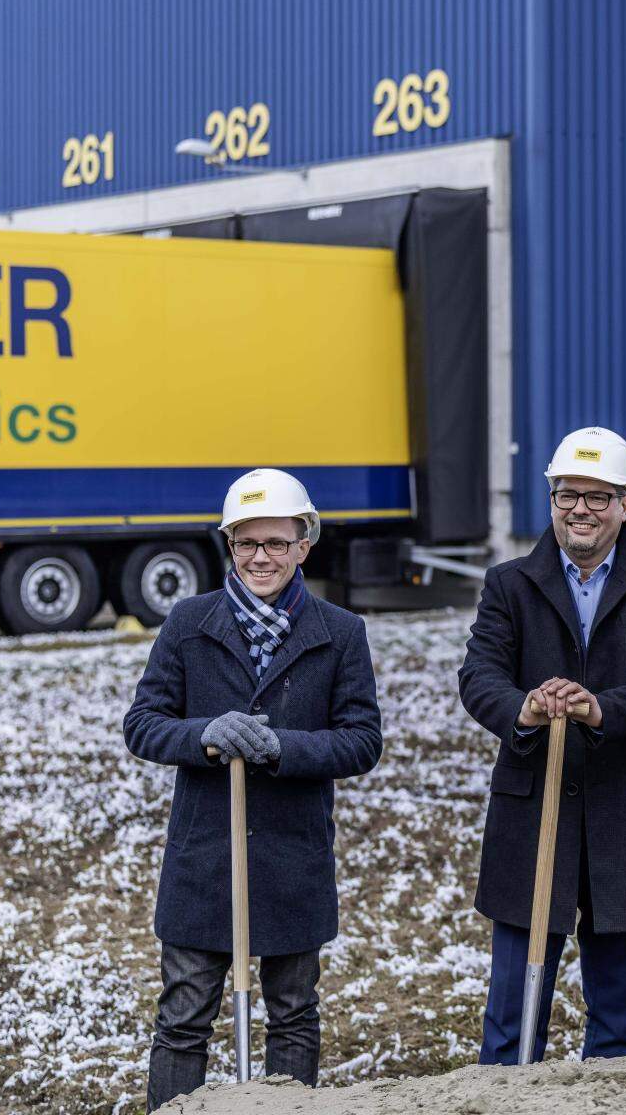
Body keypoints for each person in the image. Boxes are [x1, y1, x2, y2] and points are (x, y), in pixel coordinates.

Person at [125, 468, 383, 1106]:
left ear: (304, 544)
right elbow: (143, 725)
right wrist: (206, 735)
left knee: (293, 1011)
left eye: (275, 542)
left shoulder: (340, 632)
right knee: (184, 1016)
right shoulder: (189, 623)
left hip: (292, 855)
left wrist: (281, 748)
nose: (260, 557)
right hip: (204, 857)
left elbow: (361, 741)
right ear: (229, 546)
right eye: (247, 543)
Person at [459, 427, 626, 1063]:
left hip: (625, 811)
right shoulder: (510, 584)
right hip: (531, 811)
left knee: (618, 1017)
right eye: (568, 496)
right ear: (552, 500)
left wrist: (602, 708)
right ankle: (505, 1103)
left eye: (599, 497)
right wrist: (526, 709)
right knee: (515, 1008)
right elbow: (479, 675)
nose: (581, 510)